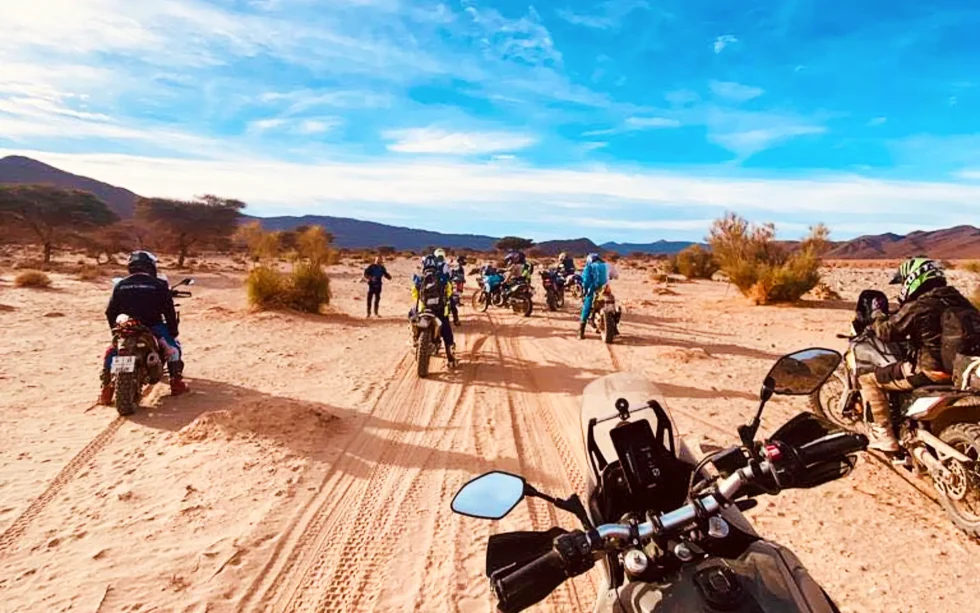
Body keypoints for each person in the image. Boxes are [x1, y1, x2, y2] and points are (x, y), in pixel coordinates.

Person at [861, 257, 980, 452]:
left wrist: (877, 314)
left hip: (931, 369)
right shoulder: (959, 300)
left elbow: (887, 331)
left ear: (914, 278)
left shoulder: (922, 304)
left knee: (869, 379)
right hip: (963, 369)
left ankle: (884, 436)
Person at [99, 251, 187, 404]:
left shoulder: (121, 285)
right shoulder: (158, 285)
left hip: (127, 327)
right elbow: (169, 311)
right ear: (150, 266)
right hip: (153, 326)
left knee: (112, 351)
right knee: (173, 348)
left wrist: (115, 330)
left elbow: (110, 311)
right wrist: (173, 331)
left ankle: (106, 390)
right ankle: (176, 383)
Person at [412, 250, 457, 367]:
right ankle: (451, 358)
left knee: (413, 317)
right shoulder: (442, 277)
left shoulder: (419, 277)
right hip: (440, 310)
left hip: (424, 309)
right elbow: (449, 292)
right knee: (446, 330)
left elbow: (414, 294)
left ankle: (415, 339)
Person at [579, 253, 608, 339]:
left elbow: (586, 281)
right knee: (610, 305)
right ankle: (615, 328)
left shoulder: (589, 267)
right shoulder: (606, 265)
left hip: (594, 289)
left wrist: (585, 290)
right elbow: (615, 275)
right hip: (605, 289)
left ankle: (581, 331)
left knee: (586, 307)